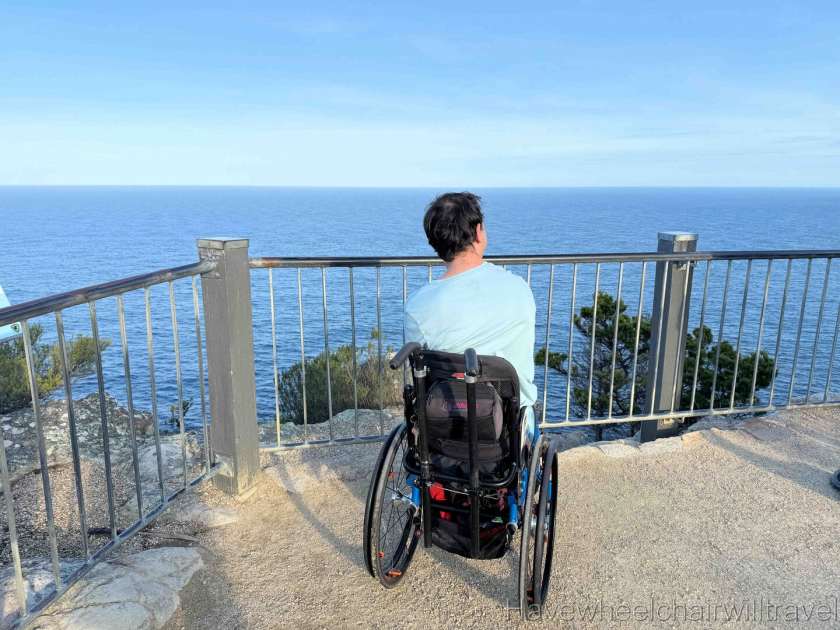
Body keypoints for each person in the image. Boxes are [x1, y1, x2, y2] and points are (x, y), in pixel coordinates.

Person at [404, 192, 537, 442]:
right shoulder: (519, 289)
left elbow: (420, 368)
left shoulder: (418, 305)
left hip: (444, 425)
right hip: (509, 429)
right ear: (478, 233)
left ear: (436, 243)